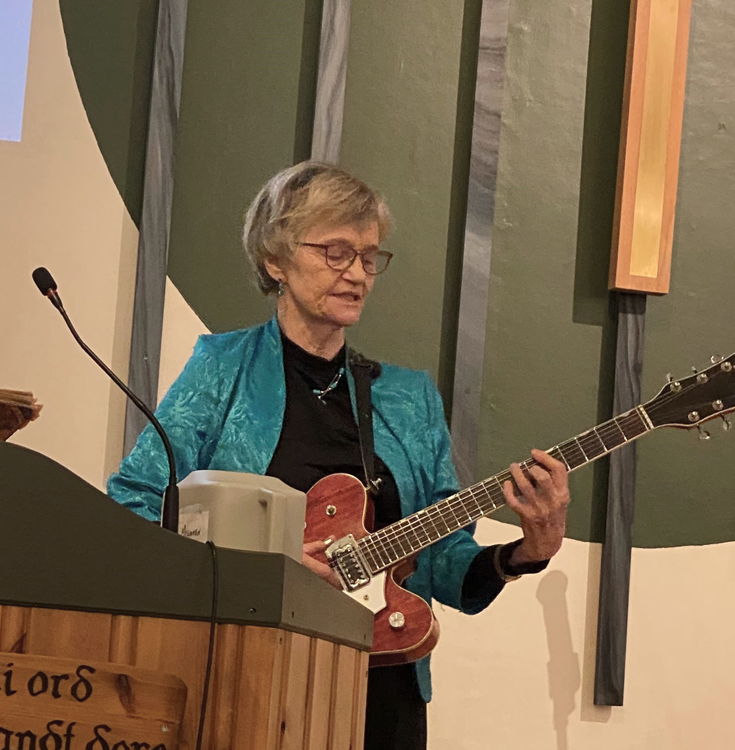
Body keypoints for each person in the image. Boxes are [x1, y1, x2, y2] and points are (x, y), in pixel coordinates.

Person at [108, 161, 570, 749]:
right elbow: (134, 503)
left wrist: (525, 553)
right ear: (275, 260)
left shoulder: (409, 399)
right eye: (336, 252)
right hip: (249, 670)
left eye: (369, 257)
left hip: (384, 688)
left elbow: (443, 561)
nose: (357, 274)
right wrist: (267, 568)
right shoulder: (221, 370)